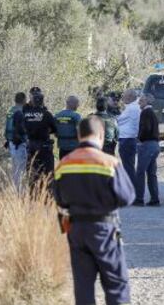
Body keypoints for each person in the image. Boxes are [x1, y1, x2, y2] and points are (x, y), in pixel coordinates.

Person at [53, 116, 134, 305]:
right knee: (116, 284)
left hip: (76, 230)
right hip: (104, 228)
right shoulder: (109, 162)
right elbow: (127, 197)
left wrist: (66, 232)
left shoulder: (64, 164)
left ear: (78, 135)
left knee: (83, 286)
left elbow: (58, 201)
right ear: (101, 135)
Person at [23, 90, 57, 183]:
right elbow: (55, 129)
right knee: (48, 175)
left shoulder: (25, 114)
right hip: (44, 148)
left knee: (32, 175)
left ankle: (32, 196)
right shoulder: (47, 114)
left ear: (32, 101)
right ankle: (46, 195)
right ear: (42, 101)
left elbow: (22, 128)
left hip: (31, 147)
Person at [133, 94, 160, 207]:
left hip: (147, 145)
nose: (139, 103)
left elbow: (146, 128)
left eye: (141, 101)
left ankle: (139, 199)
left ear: (147, 102)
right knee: (151, 173)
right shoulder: (153, 113)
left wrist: (139, 139)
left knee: (140, 172)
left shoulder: (145, 112)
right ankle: (155, 199)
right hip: (155, 145)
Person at [4, 92, 28, 192]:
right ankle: (19, 193)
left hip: (10, 142)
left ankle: (15, 190)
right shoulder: (21, 111)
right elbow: (22, 128)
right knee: (20, 170)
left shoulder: (10, 110)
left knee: (15, 169)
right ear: (23, 100)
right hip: (19, 143)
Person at [117, 89, 141, 186]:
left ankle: (131, 192)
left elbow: (118, 121)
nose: (122, 98)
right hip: (131, 139)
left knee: (128, 168)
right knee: (130, 166)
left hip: (126, 140)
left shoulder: (131, 108)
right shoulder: (135, 107)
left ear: (130, 97)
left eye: (124, 96)